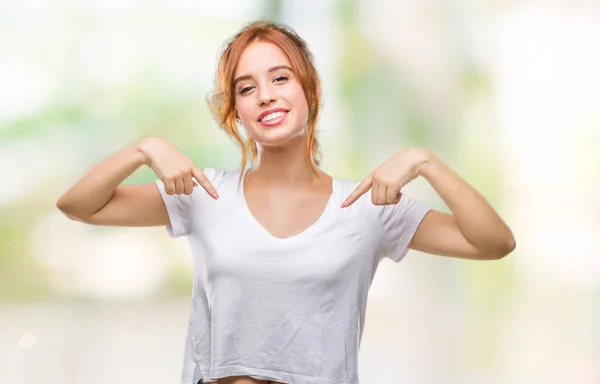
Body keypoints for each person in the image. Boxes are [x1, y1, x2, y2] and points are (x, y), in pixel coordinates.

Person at [56, 20, 515, 384]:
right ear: (235, 111)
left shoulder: (367, 205)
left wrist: (424, 162)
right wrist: (144, 148)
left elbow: (493, 242)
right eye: (246, 87)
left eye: (280, 77)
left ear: (308, 91)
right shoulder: (204, 194)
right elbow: (79, 205)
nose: (266, 95)